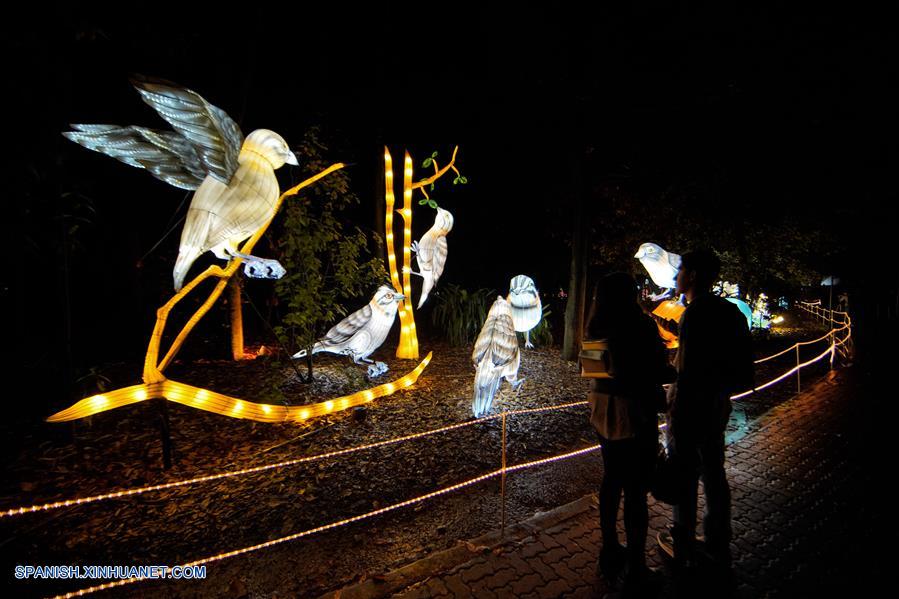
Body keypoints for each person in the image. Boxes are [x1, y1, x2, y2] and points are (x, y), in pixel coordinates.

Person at [658, 250, 754, 574]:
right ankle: (717, 539)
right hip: (717, 404)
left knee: (684, 473)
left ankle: (682, 539)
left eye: (681, 269)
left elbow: (684, 370)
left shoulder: (695, 314)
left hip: (689, 406)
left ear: (694, 275)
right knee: (714, 471)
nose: (676, 276)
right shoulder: (729, 313)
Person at [586, 272, 675, 591]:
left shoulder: (594, 324)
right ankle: (637, 569)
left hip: (602, 406)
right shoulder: (641, 325)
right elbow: (659, 370)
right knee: (635, 489)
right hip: (634, 408)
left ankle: (609, 550)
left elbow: (592, 369)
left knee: (611, 479)